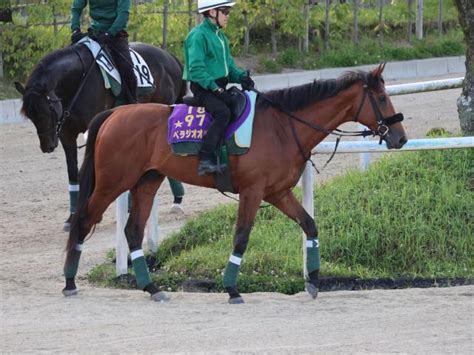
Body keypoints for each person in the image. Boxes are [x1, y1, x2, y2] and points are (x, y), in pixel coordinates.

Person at [183, 0, 255, 176]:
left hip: (218, 87)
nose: (228, 16)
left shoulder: (220, 37)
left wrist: (242, 77)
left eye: (228, 11)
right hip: (203, 88)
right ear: (212, 12)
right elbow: (196, 69)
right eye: (225, 11)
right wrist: (216, 90)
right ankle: (206, 158)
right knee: (223, 113)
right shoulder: (198, 35)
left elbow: (229, 67)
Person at [70, 0, 137, 104]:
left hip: (115, 35)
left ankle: (132, 102)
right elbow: (76, 8)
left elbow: (123, 13)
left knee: (127, 67)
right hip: (94, 33)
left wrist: (110, 33)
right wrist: (75, 29)